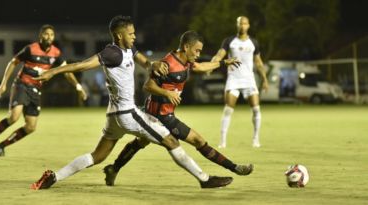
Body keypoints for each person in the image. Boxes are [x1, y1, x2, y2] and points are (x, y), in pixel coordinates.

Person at [30, 15, 233, 190]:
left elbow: (143, 60)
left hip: (114, 115)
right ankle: (204, 179)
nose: (134, 36)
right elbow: (82, 65)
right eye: (131, 34)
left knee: (97, 156)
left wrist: (153, 64)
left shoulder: (129, 49)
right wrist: (53, 72)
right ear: (119, 35)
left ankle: (54, 177)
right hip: (127, 113)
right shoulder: (112, 52)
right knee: (171, 141)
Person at [103, 30, 253, 186]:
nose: (198, 54)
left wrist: (223, 62)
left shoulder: (185, 61)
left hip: (158, 113)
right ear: (187, 47)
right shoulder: (167, 64)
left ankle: (113, 169)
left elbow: (201, 67)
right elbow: (147, 85)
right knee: (198, 140)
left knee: (140, 143)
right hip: (161, 116)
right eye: (197, 50)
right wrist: (166, 93)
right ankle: (234, 168)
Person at [0, 24, 87, 157]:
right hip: (22, 85)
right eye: (46, 34)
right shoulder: (30, 49)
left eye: (52, 35)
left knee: (30, 127)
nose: (49, 37)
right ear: (40, 35)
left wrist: (78, 87)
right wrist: (3, 83)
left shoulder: (56, 53)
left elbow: (66, 72)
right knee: (14, 117)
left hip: (36, 89)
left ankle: (1, 146)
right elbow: (13, 62)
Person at [211, 16, 269, 148]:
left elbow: (259, 62)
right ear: (237, 25)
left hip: (249, 80)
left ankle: (255, 139)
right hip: (234, 79)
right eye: (240, 24)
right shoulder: (229, 41)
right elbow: (219, 55)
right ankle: (222, 140)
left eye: (244, 23)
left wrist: (264, 79)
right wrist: (211, 65)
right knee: (228, 110)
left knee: (256, 109)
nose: (242, 26)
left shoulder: (253, 42)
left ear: (248, 25)